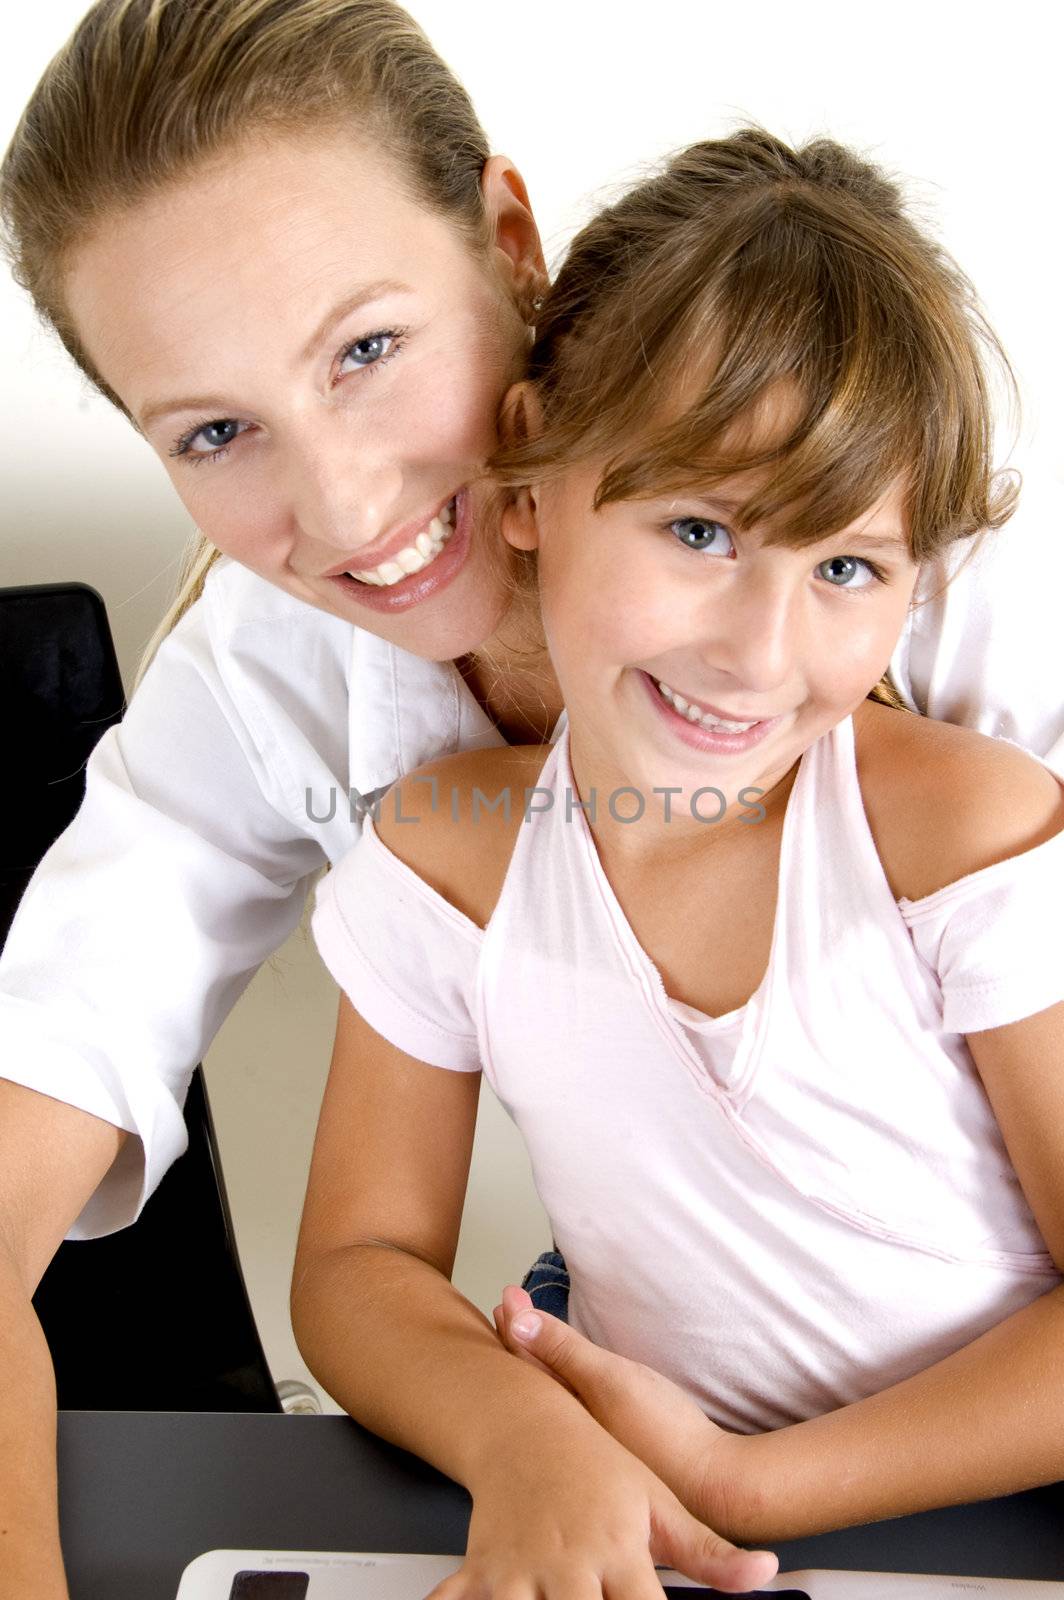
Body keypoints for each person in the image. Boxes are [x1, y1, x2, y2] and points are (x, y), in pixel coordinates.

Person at [0, 1, 1058, 1594]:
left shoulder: (926, 562)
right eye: (217, 433)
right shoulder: (277, 702)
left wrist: (747, 1471)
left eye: (367, 351)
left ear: (507, 239)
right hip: (624, 1364)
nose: (346, 506)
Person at [296, 128, 1064, 1600]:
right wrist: (529, 1445)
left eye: (846, 567)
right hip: (645, 1512)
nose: (760, 654)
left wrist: (737, 1478)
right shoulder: (447, 856)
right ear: (528, 483)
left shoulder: (959, 834)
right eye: (701, 530)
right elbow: (358, 1265)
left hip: (987, 1528)